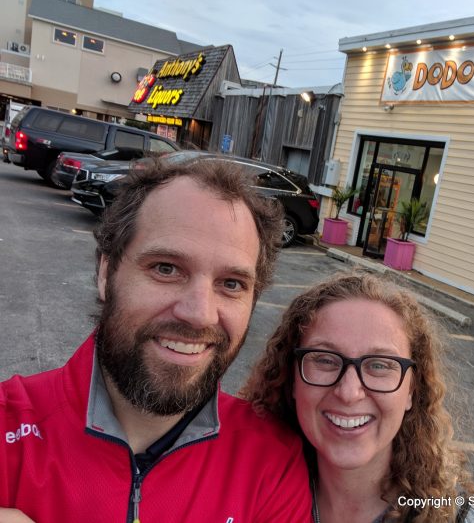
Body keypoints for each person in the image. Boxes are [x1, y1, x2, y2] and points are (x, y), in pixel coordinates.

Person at [0, 158, 311, 521]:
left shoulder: (271, 463)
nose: (199, 314)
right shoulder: (9, 432)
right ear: (106, 273)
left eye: (231, 284)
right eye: (166, 268)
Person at [241, 272, 474, 523]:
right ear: (291, 378)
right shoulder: (247, 497)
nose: (349, 393)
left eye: (380, 365)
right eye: (325, 359)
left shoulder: (457, 519)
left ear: (411, 390)